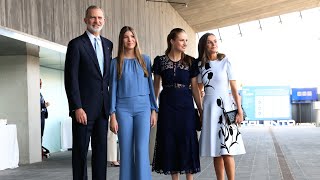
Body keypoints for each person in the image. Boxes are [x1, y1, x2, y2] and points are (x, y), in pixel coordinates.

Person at [64, 5, 113, 180]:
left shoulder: (108, 45)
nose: (96, 21)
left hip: (102, 110)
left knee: (101, 154)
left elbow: (105, 79)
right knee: (80, 154)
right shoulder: (76, 44)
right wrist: (77, 107)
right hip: (83, 110)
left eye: (100, 18)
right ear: (85, 20)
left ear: (104, 21)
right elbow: (71, 79)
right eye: (92, 17)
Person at [152, 28, 202, 180]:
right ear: (172, 41)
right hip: (167, 106)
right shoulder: (159, 61)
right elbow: (156, 86)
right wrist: (153, 109)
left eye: (186, 40)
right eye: (182, 40)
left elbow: (194, 88)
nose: (185, 43)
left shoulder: (191, 61)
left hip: (186, 107)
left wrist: (201, 110)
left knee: (187, 140)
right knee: (169, 140)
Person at [109, 26, 158, 180]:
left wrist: (153, 110)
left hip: (143, 109)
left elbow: (151, 87)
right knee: (125, 150)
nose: (130, 40)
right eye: (126, 37)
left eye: (132, 36)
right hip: (123, 110)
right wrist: (112, 114)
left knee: (142, 150)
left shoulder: (145, 60)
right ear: (121, 40)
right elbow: (113, 90)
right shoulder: (115, 62)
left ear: (136, 39)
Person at [197, 33, 246, 180]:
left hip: (226, 107)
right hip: (209, 109)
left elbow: (234, 89)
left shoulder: (225, 61)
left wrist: (239, 110)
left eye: (215, 41)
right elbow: (199, 89)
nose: (214, 44)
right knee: (216, 151)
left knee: (227, 149)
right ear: (204, 46)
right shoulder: (200, 65)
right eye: (210, 42)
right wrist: (201, 111)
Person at [40, 78, 50, 158]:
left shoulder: (40, 93)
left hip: (42, 116)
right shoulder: (34, 93)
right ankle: (39, 151)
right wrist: (44, 105)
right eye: (39, 83)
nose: (40, 85)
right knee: (39, 134)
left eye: (41, 83)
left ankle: (40, 150)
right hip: (38, 117)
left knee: (41, 134)